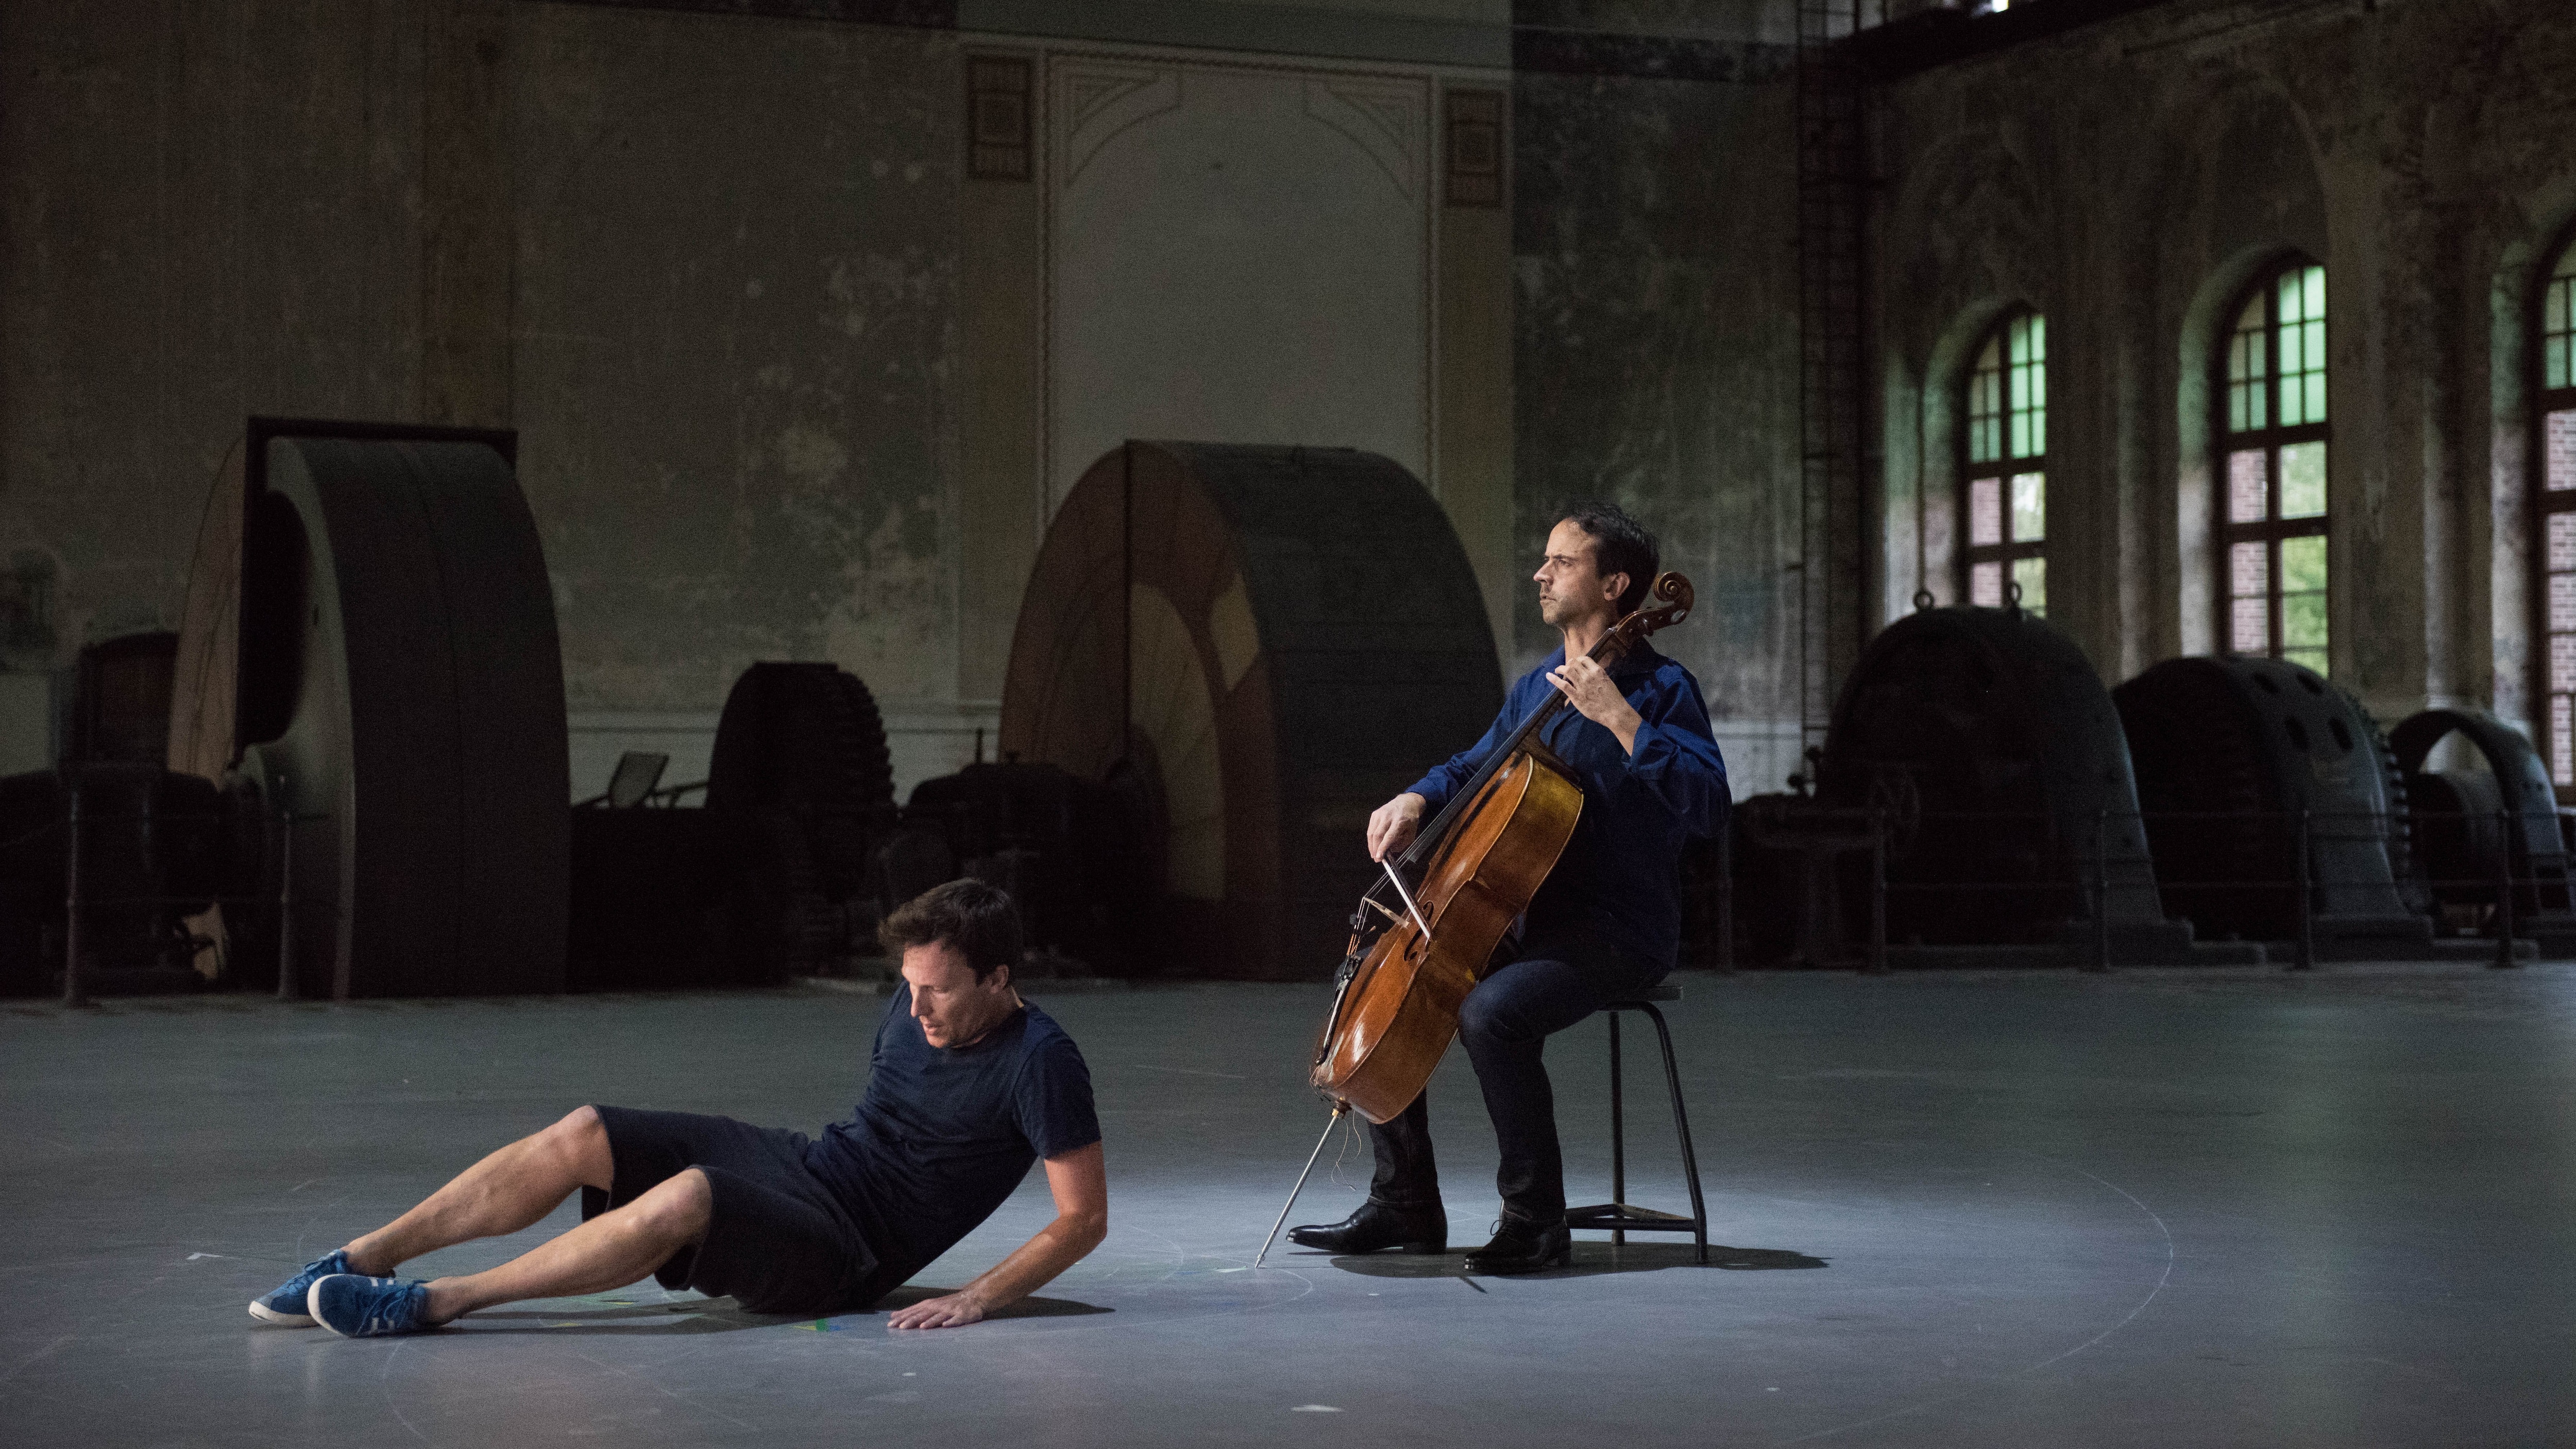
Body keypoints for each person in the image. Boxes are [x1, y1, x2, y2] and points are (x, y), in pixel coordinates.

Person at [247, 879, 1107, 1337]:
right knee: (586, 1131)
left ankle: (432, 1305)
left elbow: (1084, 1220)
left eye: (940, 993)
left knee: (693, 1193)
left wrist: (980, 1297)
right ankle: (361, 1258)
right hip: (814, 1168)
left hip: (849, 1250)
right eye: (907, 987)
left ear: (1000, 978)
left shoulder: (1042, 1063)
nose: (915, 1011)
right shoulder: (921, 999)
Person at [1289, 503, 1727, 1273]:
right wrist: (1416, 798)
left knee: (1491, 1013)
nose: (1541, 574)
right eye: (1545, 561)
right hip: (1528, 921)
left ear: (1616, 584)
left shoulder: (1661, 689)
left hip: (1617, 932)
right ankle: (1406, 1202)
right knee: (1383, 974)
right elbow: (1473, 764)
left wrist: (1621, 719)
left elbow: (1709, 805)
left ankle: (1536, 1220)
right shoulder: (1536, 690)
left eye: (1562, 562)